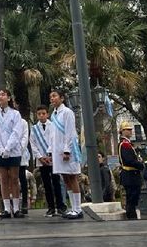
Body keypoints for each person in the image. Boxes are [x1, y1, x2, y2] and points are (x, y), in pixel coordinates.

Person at [0, 89, 26, 219]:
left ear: (9, 98)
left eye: (3, 94)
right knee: (3, 179)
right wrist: (1, 149)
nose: (0, 97)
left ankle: (16, 208)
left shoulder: (16, 114)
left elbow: (17, 132)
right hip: (0, 151)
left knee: (14, 179)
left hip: (13, 150)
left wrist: (8, 148)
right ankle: (6, 208)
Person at [48, 89, 84, 219]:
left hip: (67, 149)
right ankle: (73, 207)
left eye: (54, 96)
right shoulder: (53, 114)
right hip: (58, 151)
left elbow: (70, 132)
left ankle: (78, 209)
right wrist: (51, 150)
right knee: (66, 178)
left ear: (62, 98)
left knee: (72, 177)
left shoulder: (67, 112)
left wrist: (67, 150)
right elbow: (52, 134)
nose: (52, 99)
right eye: (51, 97)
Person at [30, 105, 67, 217]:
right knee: (46, 184)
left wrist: (51, 155)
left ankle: (61, 206)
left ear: (47, 114)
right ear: (37, 115)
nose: (41, 116)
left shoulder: (53, 126)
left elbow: (56, 141)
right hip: (42, 160)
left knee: (56, 182)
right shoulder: (34, 128)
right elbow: (33, 144)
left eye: (43, 113)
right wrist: (40, 157)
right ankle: (51, 207)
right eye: (39, 114)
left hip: (53, 158)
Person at [118, 121, 144, 220]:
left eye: (130, 129)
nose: (130, 131)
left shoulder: (128, 144)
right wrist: (140, 164)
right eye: (127, 130)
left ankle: (132, 215)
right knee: (131, 198)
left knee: (134, 197)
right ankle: (131, 217)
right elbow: (128, 160)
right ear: (122, 131)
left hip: (132, 174)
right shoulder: (124, 144)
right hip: (129, 174)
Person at [18, 114, 31, 214]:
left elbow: (25, 138)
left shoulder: (23, 122)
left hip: (20, 153)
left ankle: (24, 203)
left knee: (22, 179)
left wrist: (19, 150)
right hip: (8, 153)